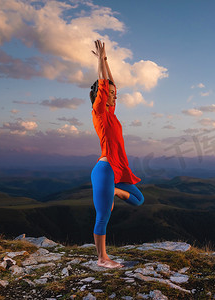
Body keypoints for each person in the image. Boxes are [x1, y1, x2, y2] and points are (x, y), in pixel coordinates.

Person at [90, 40, 144, 268]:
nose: (113, 96)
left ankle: (113, 191)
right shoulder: (99, 112)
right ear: (101, 96)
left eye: (114, 94)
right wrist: (99, 62)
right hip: (104, 169)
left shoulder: (111, 114)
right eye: (109, 94)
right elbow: (103, 84)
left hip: (117, 170)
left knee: (138, 200)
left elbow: (112, 84)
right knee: (103, 217)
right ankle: (102, 258)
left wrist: (106, 61)